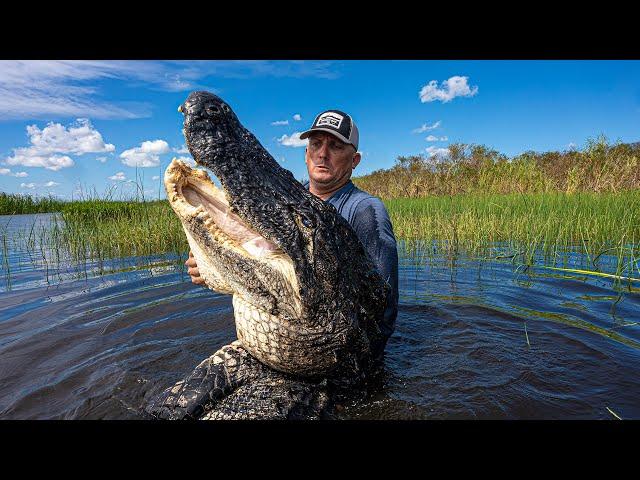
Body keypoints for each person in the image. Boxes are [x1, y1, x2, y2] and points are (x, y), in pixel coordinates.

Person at [186, 109, 399, 358]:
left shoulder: (365, 211)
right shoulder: (283, 202)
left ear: (354, 160)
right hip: (274, 333)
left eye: (336, 146)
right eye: (316, 144)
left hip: (330, 354)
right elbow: (256, 253)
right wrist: (211, 262)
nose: (323, 153)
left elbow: (383, 306)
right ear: (306, 154)